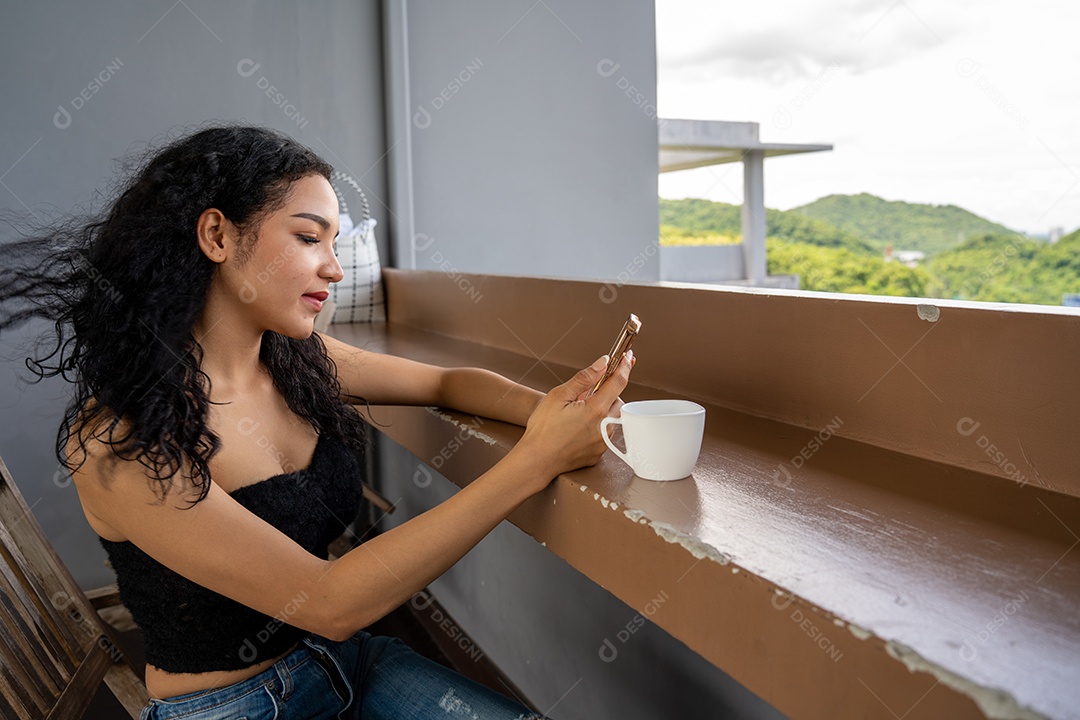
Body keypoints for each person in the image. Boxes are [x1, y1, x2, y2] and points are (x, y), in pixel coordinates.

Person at [0, 125, 634, 719]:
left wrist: (553, 411)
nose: (333, 267)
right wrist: (537, 459)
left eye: (335, 242)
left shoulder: (295, 359)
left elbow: (442, 382)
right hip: (233, 705)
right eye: (309, 238)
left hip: (345, 663)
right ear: (217, 236)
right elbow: (330, 601)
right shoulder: (120, 443)